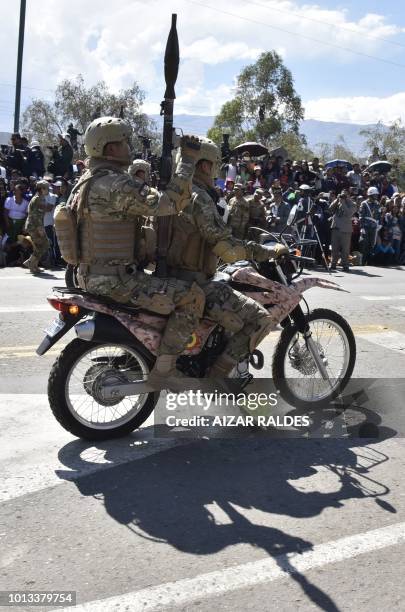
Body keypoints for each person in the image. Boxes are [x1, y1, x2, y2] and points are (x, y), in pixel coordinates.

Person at [55, 116, 204, 389]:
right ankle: (166, 370)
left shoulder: (84, 182)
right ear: (110, 149)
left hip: (85, 276)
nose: (129, 147)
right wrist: (188, 161)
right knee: (192, 297)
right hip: (117, 282)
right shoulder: (115, 184)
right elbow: (169, 204)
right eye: (124, 141)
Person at [165, 137, 292, 379]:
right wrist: (267, 251)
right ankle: (218, 377)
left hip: (171, 276)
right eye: (214, 165)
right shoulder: (199, 198)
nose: (216, 171)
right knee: (260, 320)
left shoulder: (174, 193)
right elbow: (228, 246)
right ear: (204, 166)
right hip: (194, 283)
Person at [23, 180, 51, 273]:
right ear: (42, 189)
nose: (48, 190)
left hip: (33, 225)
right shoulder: (39, 198)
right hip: (35, 226)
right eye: (47, 188)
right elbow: (36, 215)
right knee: (43, 245)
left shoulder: (39, 197)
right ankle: (32, 264)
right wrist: (40, 229)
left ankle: (32, 263)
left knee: (41, 245)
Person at [328, 189, 356, 272]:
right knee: (334, 248)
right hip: (335, 228)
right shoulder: (338, 201)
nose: (343, 196)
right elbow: (330, 209)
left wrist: (343, 203)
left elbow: (349, 213)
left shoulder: (352, 204)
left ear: (348, 196)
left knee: (345, 249)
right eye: (342, 194)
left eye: (345, 195)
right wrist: (337, 200)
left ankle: (345, 265)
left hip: (345, 230)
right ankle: (333, 264)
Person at [359, 186, 380, 265]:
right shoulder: (364, 203)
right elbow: (361, 216)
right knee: (364, 244)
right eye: (375, 195)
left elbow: (378, 215)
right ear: (370, 195)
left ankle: (370, 262)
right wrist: (362, 227)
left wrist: (379, 224)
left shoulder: (377, 204)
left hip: (374, 227)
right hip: (366, 227)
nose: (376, 196)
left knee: (372, 244)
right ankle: (362, 262)